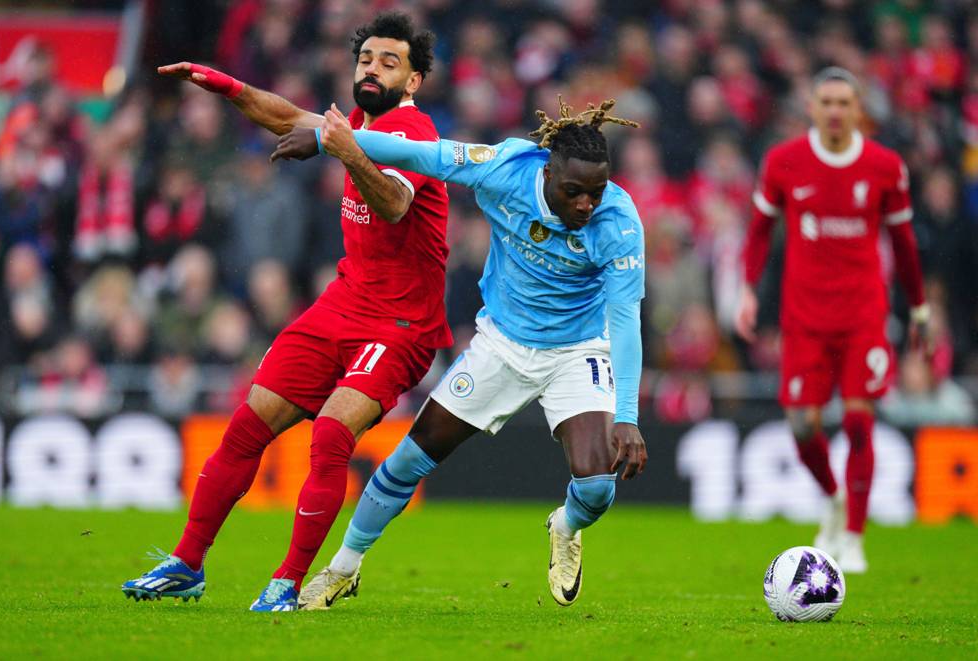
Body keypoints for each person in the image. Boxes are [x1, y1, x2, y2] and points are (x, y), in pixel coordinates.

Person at [122, 12, 452, 612]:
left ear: (412, 81)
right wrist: (226, 87)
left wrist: (345, 151)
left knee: (329, 434)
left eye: (389, 62)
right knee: (248, 425)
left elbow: (396, 205)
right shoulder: (355, 123)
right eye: (366, 58)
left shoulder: (415, 134)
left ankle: (288, 582)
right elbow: (286, 116)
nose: (372, 68)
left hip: (402, 325)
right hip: (344, 304)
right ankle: (186, 563)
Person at [271, 97, 647, 608]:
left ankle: (565, 525)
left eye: (596, 192)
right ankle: (344, 568)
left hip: (577, 349)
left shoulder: (619, 224)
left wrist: (627, 415)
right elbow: (425, 155)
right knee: (409, 459)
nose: (586, 204)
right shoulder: (506, 170)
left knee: (599, 485)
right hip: (501, 344)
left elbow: (625, 322)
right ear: (547, 171)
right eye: (574, 191)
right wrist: (326, 140)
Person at [734, 68, 929, 574]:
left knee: (861, 420)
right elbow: (759, 232)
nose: (836, 111)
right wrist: (748, 290)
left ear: (859, 107)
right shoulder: (784, 162)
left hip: (863, 311)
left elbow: (904, 245)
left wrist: (920, 305)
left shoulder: (885, 166)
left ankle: (856, 538)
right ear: (812, 107)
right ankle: (833, 498)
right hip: (804, 316)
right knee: (802, 425)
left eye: (845, 101)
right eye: (827, 101)